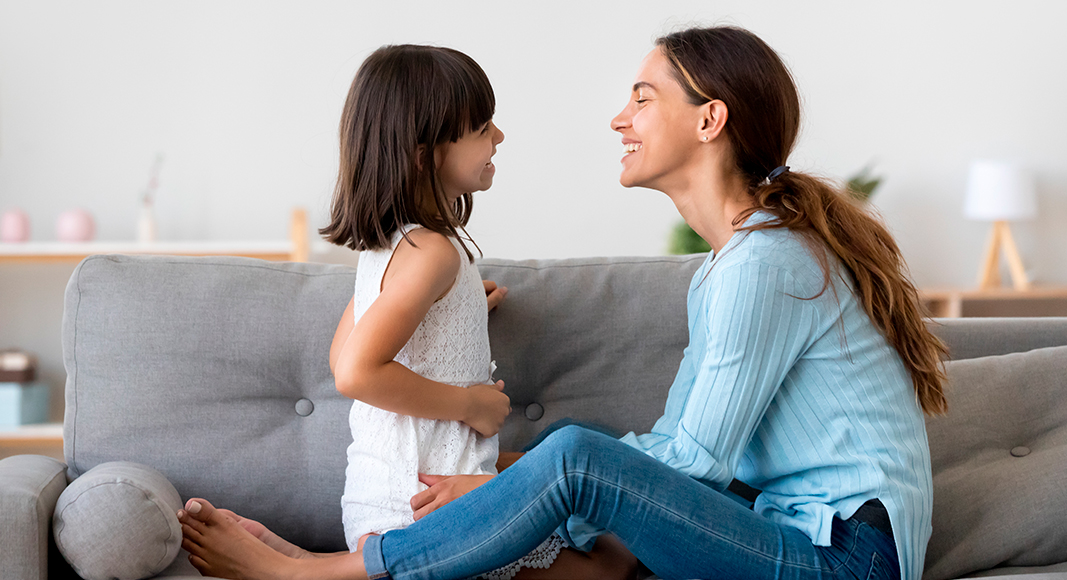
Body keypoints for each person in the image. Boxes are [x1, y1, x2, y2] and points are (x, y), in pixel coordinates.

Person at [179, 26, 947, 580]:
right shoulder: (731, 265)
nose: (618, 119)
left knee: (576, 455)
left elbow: (694, 464)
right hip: (787, 532)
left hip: (843, 559)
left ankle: (319, 573)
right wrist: (513, 477)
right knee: (573, 452)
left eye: (642, 98)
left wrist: (503, 486)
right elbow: (676, 446)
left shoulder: (765, 263)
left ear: (708, 120)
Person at [176, 44, 636, 580]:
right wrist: (470, 404)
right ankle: (306, 570)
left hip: (387, 499)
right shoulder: (432, 254)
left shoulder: (392, 248)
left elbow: (343, 353)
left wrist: (460, 311)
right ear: (424, 155)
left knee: (609, 550)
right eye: (482, 127)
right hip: (426, 508)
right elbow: (355, 372)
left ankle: (311, 561)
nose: (499, 136)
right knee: (613, 566)